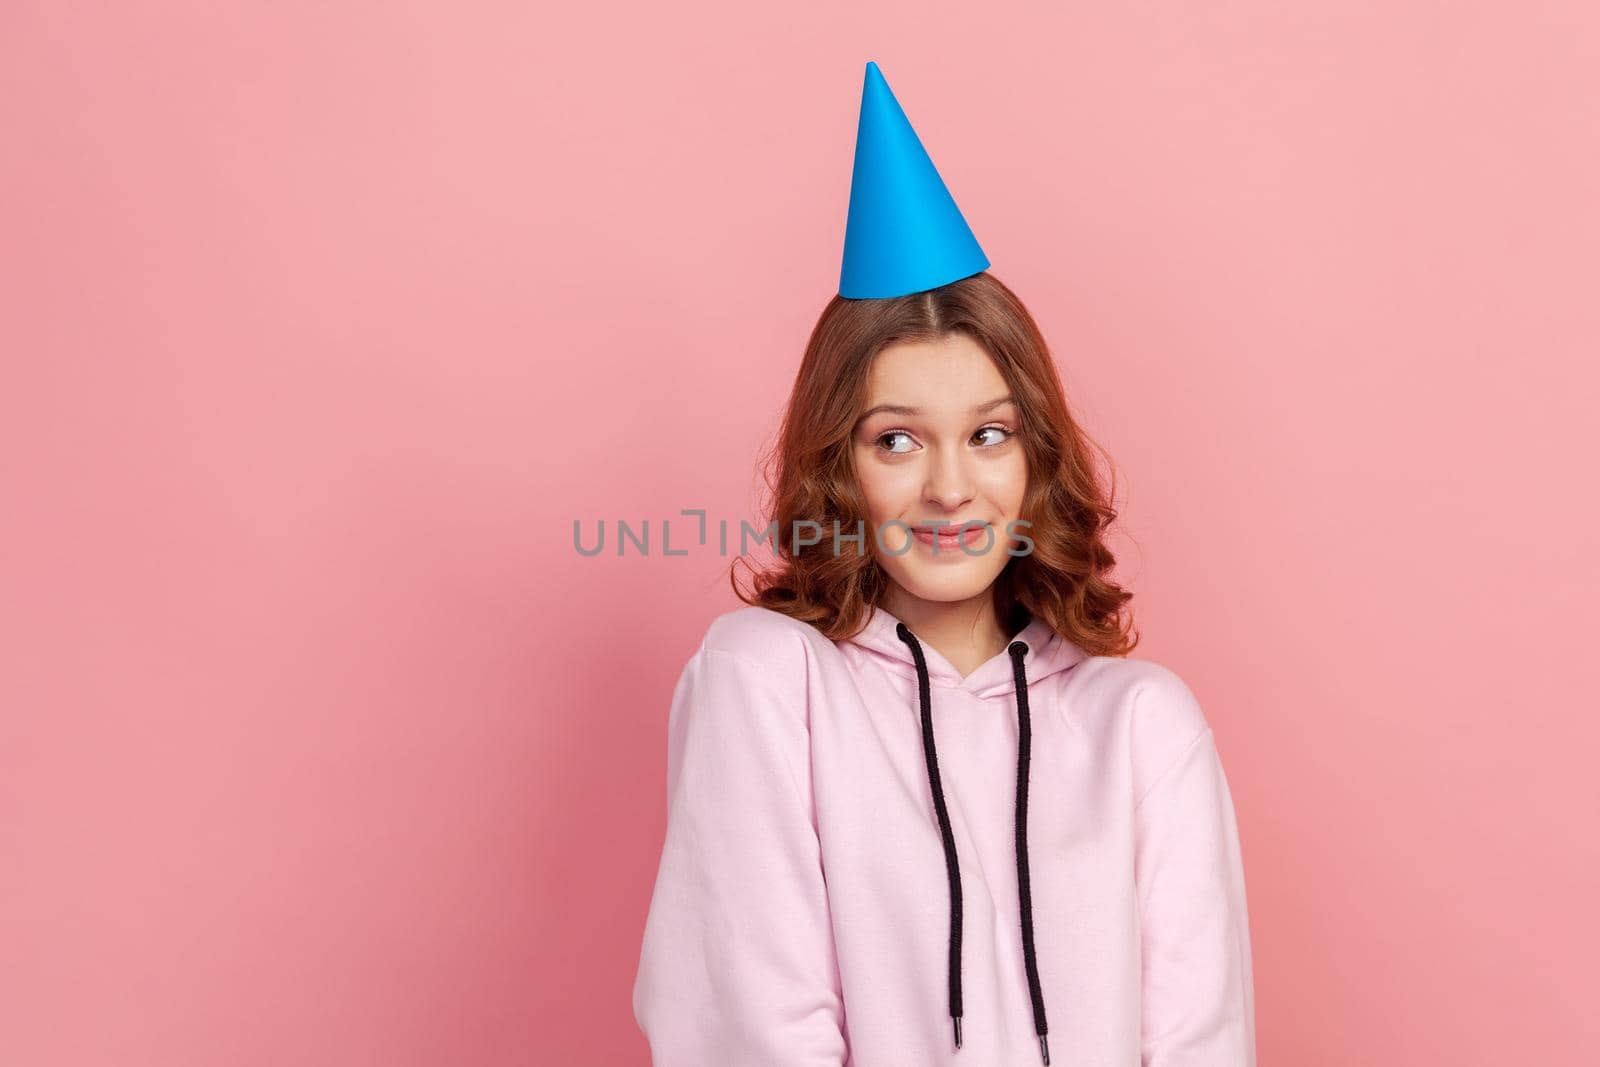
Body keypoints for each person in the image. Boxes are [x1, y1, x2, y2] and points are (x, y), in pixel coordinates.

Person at [631, 61, 1256, 1066]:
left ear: (1035, 454)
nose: (951, 489)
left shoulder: (1141, 723)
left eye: (990, 434)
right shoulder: (766, 680)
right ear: (838, 463)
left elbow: (1198, 1040)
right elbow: (745, 1025)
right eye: (897, 440)